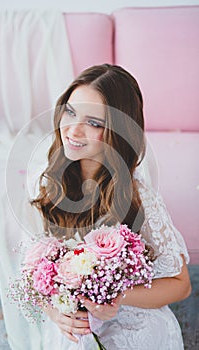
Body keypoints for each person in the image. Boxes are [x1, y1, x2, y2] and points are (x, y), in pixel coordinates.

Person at [31, 64, 191, 349]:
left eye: (94, 123)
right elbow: (33, 271)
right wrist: (55, 312)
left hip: (130, 315)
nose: (73, 130)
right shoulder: (46, 181)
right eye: (70, 111)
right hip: (75, 320)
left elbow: (182, 284)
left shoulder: (138, 196)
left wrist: (118, 296)